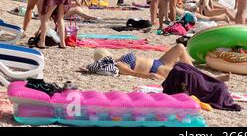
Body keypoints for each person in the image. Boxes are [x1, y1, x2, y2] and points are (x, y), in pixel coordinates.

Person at [83, 44, 231, 81]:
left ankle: (202, 74)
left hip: (158, 61)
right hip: (155, 70)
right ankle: (212, 79)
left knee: (180, 47)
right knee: (185, 73)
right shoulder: (117, 64)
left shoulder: (118, 59)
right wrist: (150, 76)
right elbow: (131, 73)